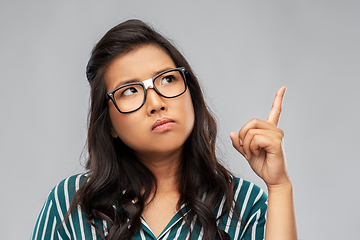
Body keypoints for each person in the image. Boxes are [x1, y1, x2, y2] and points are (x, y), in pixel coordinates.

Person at [31, 19, 298, 240]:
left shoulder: (244, 203)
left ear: (191, 95)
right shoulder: (70, 204)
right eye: (130, 91)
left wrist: (280, 186)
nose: (156, 103)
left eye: (168, 79)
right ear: (109, 124)